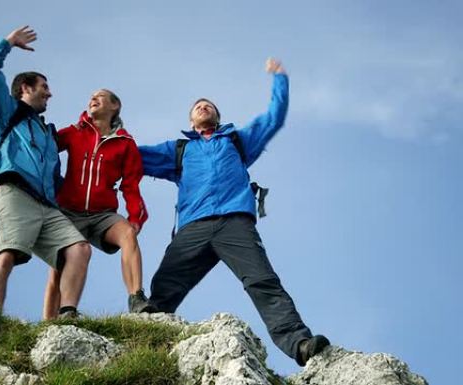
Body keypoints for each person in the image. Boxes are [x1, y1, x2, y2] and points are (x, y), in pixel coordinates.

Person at [138, 58, 329, 366]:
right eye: (198, 106)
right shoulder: (179, 150)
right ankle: (143, 348)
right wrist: (107, 133)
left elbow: (273, 118)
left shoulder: (237, 140)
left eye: (208, 105)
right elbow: (131, 156)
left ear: (217, 116)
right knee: (163, 289)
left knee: (262, 281)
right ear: (190, 122)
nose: (203, 107)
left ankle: (300, 343)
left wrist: (280, 79)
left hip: (235, 224)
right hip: (193, 227)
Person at [0, 25, 91, 318]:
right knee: (6, 255)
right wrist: (8, 43)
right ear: (26, 88)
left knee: (79, 249)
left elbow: (55, 179)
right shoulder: (6, 112)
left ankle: (67, 315)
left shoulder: (47, 135)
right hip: (12, 193)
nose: (49, 94)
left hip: (46, 205)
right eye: (44, 87)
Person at [42, 89, 153, 320]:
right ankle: (50, 322)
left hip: (103, 215)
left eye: (100, 96)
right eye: (91, 96)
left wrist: (135, 218)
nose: (93, 98)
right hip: (68, 213)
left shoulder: (125, 143)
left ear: (115, 106)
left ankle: (136, 298)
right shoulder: (74, 132)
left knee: (128, 235)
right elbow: (43, 148)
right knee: (57, 268)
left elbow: (131, 185)